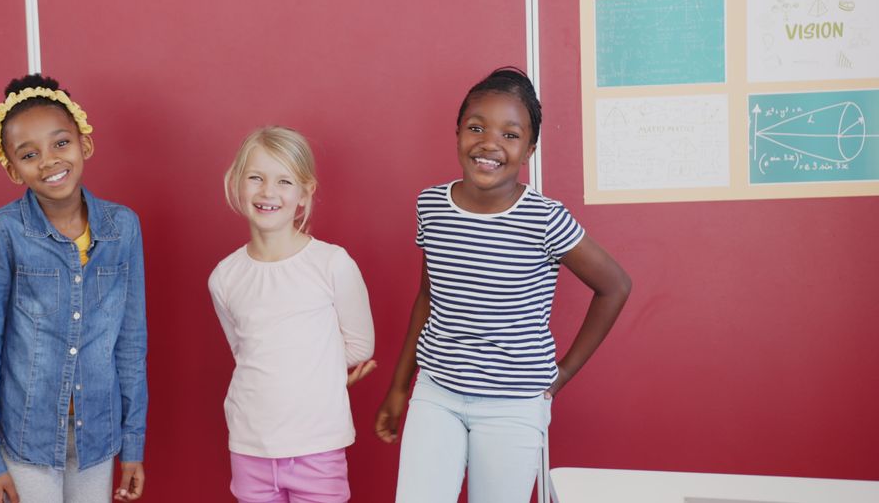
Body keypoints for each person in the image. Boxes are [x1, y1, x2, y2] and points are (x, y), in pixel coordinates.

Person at [374, 68, 631, 503]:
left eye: (510, 135)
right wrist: (400, 386)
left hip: (513, 404)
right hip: (437, 391)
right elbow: (428, 297)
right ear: (457, 133)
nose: (490, 143)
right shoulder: (432, 205)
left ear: (529, 149)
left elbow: (615, 286)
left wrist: (562, 373)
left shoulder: (545, 219)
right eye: (476, 127)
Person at [0, 74, 148, 503]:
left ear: (84, 143)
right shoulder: (1, 232)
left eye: (60, 143)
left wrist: (133, 444)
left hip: (98, 440)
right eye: (29, 154)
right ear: (12, 167)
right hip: (27, 439)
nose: (48, 161)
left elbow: (131, 343)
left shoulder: (123, 228)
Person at [208, 126, 376, 503]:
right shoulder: (225, 277)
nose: (268, 192)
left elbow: (361, 344)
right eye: (256, 178)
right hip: (250, 446)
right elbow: (249, 352)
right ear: (236, 183)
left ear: (305, 192)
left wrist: (318, 373)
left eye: (284, 181)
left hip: (318, 446)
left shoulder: (332, 264)